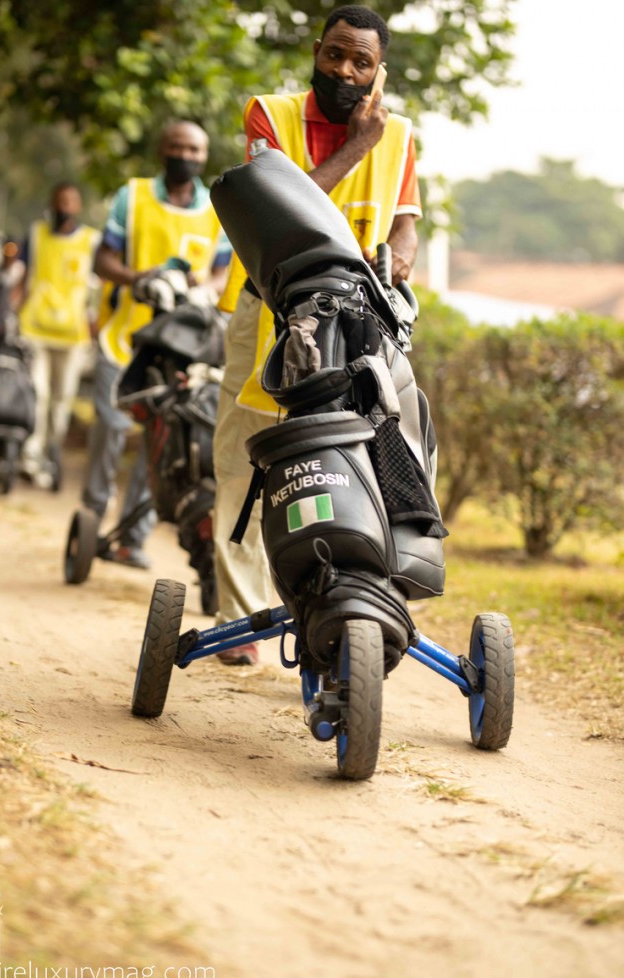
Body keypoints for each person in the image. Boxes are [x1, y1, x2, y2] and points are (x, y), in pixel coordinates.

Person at [213, 4, 423, 664]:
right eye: (336, 55)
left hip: (358, 317)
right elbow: (277, 208)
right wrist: (358, 142)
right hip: (270, 307)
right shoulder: (269, 116)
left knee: (355, 448)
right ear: (316, 51)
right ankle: (241, 615)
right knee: (248, 452)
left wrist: (400, 250)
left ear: (379, 71)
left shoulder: (401, 135)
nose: (346, 71)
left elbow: (407, 219)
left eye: (363, 62)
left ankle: (343, 592)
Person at [81, 119, 231, 569]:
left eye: (194, 149)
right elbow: (103, 258)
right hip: (124, 336)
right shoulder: (133, 196)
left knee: (161, 437)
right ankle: (92, 511)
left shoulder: (216, 207)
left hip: (182, 345)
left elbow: (223, 269)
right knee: (110, 426)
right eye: (176, 146)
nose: (185, 155)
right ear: (162, 150)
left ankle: (131, 538)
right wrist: (138, 278)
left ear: (203, 156)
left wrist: (205, 290)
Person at [18, 184, 100, 488]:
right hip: (34, 328)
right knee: (37, 395)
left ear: (77, 206)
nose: (63, 206)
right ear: (52, 204)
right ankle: (30, 456)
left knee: (62, 400)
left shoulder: (91, 241)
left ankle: (52, 452)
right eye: (59, 201)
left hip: (73, 334)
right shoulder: (36, 235)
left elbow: (99, 287)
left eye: (69, 201)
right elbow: (21, 277)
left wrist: (96, 324)